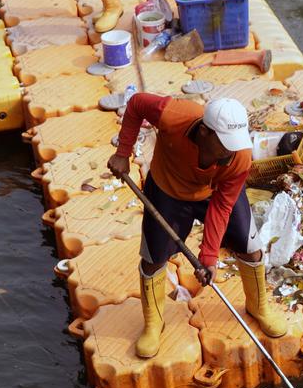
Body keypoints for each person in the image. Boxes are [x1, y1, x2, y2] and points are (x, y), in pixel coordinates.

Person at [107, 93, 287, 358]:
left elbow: (222, 207)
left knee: (250, 246)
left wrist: (209, 257)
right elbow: (135, 105)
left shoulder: (240, 157)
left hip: (214, 194)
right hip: (168, 189)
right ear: (204, 132)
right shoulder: (173, 114)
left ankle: (259, 306)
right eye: (224, 144)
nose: (230, 151)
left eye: (234, 144)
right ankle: (154, 322)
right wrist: (123, 153)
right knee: (154, 258)